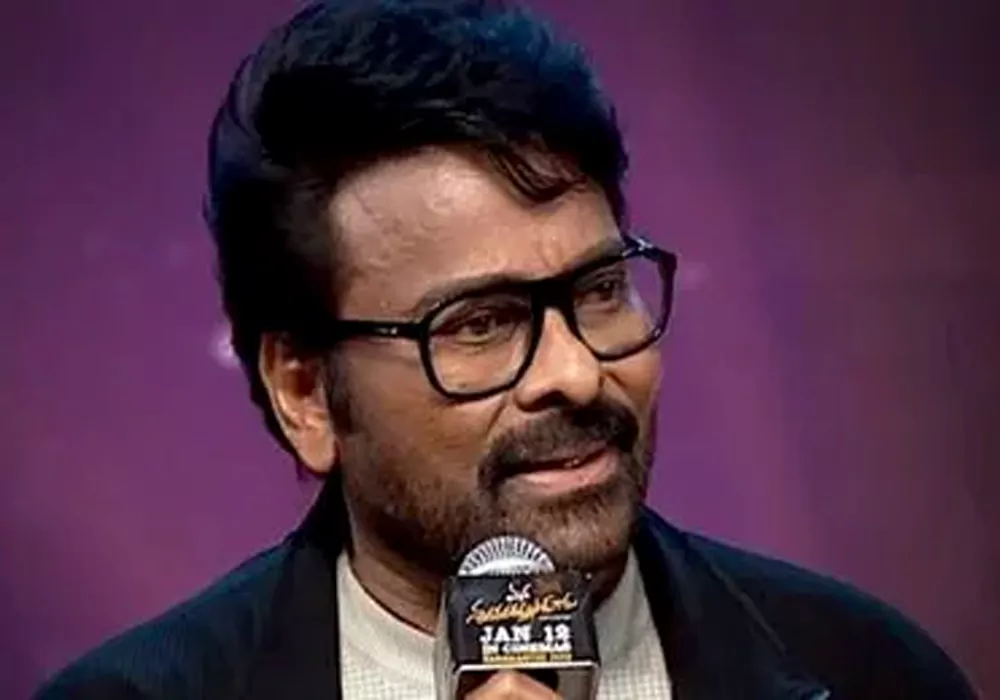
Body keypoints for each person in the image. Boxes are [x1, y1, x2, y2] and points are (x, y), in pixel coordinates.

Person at [37, 1, 976, 698]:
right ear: (306, 392)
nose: (576, 374)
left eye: (599, 291)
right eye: (479, 324)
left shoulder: (871, 672)